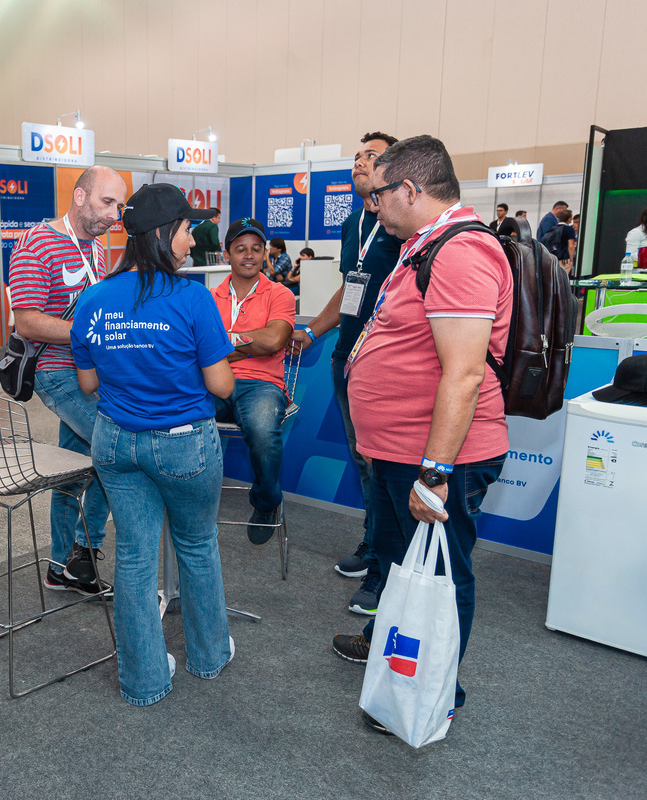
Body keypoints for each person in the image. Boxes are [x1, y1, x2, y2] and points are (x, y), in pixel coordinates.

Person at [330, 135, 512, 732]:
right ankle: (402, 662)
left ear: (410, 190)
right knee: (406, 568)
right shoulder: (421, 246)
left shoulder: (460, 252)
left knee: (440, 574)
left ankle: (437, 693)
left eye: (381, 193)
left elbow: (461, 376)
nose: (373, 204)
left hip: (434, 457)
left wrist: (434, 475)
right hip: (397, 449)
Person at [70, 183, 236, 706]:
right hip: (185, 446)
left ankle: (144, 679)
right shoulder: (193, 298)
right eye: (188, 229)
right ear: (165, 235)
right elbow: (222, 387)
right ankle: (209, 657)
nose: (193, 238)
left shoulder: (93, 298)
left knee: (136, 559)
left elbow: (89, 385)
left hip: (117, 444)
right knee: (197, 545)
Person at [291, 131, 401, 617]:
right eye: (357, 156)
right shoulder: (354, 222)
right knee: (363, 460)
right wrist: (313, 331)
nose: (359, 162)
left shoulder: (403, 224)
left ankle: (385, 565)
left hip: (387, 363)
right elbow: (349, 288)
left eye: (371, 157)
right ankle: (372, 543)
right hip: (348, 356)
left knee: (385, 465)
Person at [8, 165, 127, 595]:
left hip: (88, 373)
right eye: (106, 202)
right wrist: (90, 333)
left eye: (120, 205)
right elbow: (27, 322)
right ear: (80, 197)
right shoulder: (37, 243)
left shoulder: (94, 248)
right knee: (117, 451)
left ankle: (61, 568)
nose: (115, 214)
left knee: (76, 469)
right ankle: (84, 552)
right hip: (55, 371)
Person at [210, 217, 296, 542]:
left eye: (256, 249)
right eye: (240, 249)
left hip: (262, 385)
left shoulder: (280, 294)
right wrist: (249, 344)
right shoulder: (209, 297)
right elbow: (199, 349)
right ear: (226, 254)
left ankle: (266, 502)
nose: (249, 255)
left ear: (265, 255)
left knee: (261, 427)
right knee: (181, 417)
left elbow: (274, 341)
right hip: (214, 379)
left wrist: (225, 343)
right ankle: (191, 501)